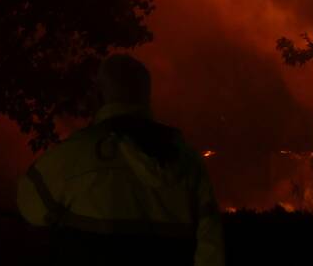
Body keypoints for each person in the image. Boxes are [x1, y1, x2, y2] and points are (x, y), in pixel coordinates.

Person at [17, 54, 225, 265]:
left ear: (98, 96)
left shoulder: (74, 155)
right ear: (146, 97)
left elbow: (29, 209)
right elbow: (212, 248)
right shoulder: (187, 159)